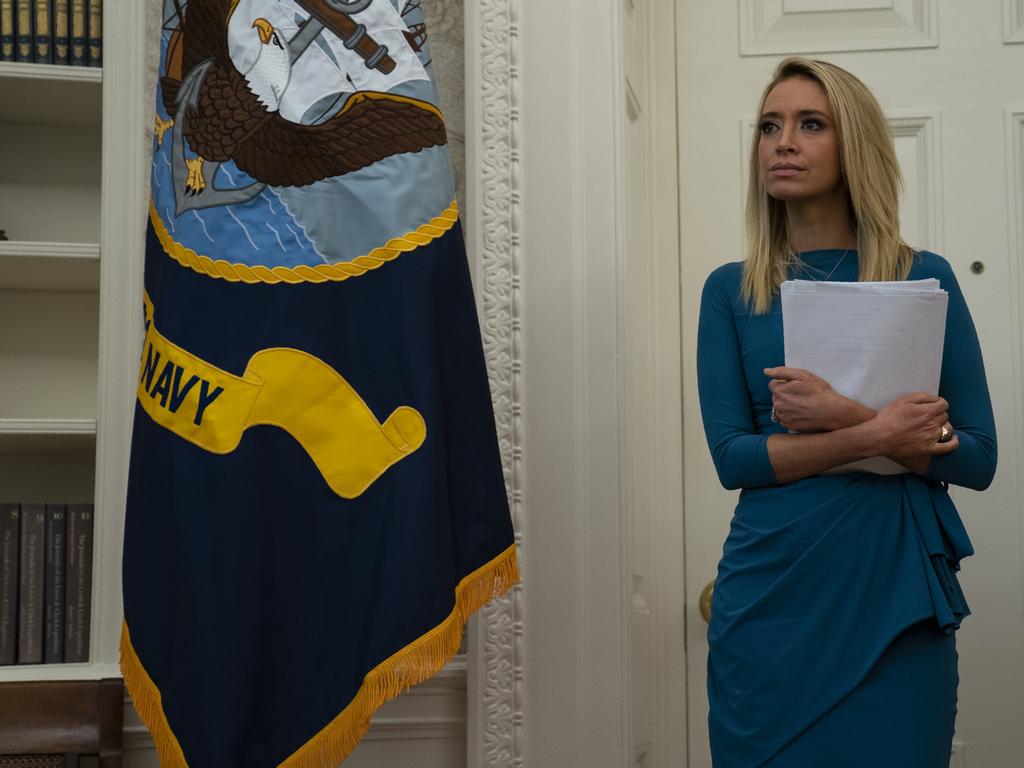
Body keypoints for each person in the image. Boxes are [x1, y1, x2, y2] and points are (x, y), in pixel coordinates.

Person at [696, 56, 997, 767]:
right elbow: (734, 458)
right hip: (770, 600)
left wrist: (840, 414)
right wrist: (874, 431)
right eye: (770, 126)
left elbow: (978, 458)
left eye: (809, 124)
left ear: (852, 143)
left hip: (896, 597)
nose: (782, 142)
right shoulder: (730, 291)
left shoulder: (925, 277)